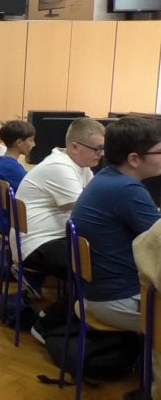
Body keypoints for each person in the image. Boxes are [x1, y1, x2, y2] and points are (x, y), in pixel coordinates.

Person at [15, 117, 106, 341]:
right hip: (36, 244)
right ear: (74, 147)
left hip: (50, 238)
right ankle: (48, 323)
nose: (101, 154)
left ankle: (68, 318)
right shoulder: (60, 167)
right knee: (97, 271)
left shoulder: (81, 167)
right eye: (97, 148)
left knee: (98, 262)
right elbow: (90, 211)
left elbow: (96, 202)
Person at [71, 117, 161, 332]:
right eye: (159, 152)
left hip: (101, 294)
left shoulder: (108, 177)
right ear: (134, 159)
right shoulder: (127, 190)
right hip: (118, 299)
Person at [0, 120, 35, 238]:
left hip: (1, 221)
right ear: (19, 142)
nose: (33, 144)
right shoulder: (12, 168)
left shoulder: (1, 163)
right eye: (31, 140)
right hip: (11, 225)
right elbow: (32, 190)